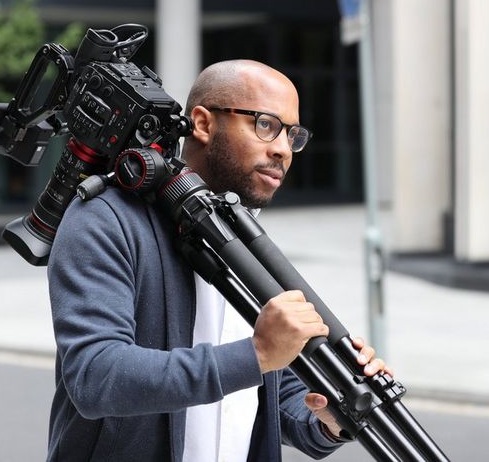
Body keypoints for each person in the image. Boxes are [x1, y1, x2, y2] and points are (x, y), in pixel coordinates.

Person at [46, 60, 389, 461]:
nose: (281, 148)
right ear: (204, 124)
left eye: (292, 135)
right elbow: (97, 376)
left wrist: (326, 419)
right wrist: (257, 353)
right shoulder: (107, 219)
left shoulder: (245, 237)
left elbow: (268, 390)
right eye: (265, 124)